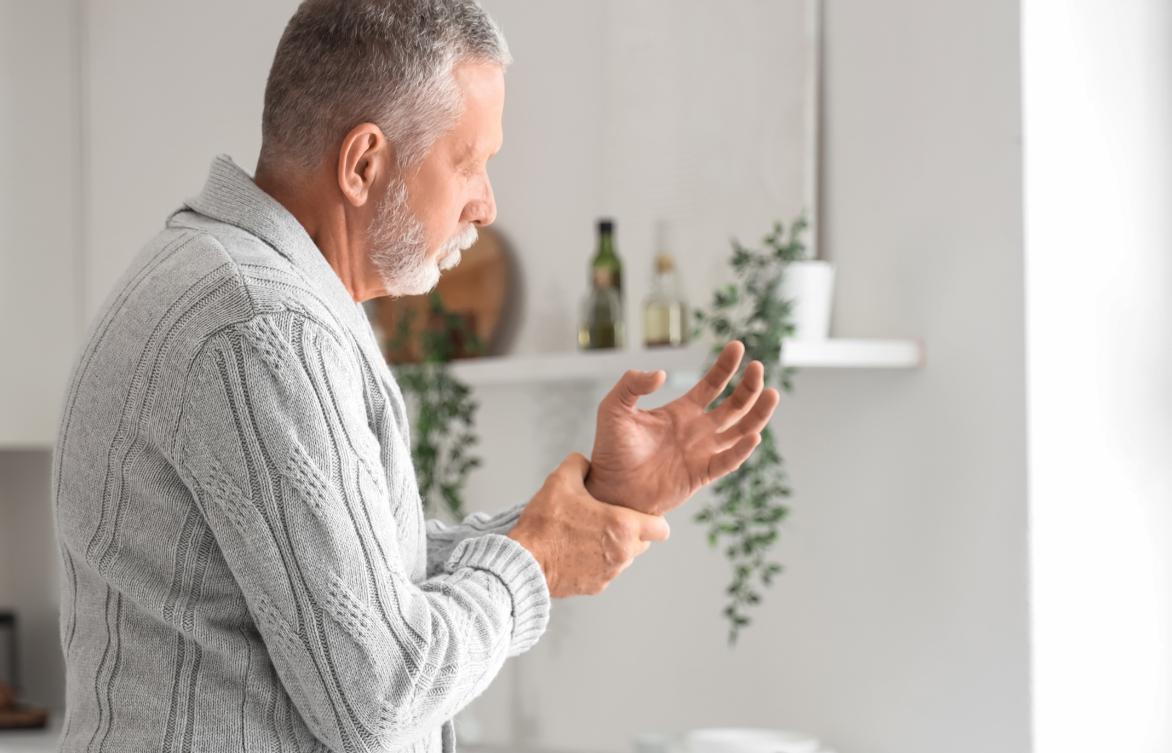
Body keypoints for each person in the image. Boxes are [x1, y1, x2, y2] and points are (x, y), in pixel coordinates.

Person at [51, 1, 779, 752]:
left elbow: (354, 586)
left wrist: (591, 504)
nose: (486, 206)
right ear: (363, 164)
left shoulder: (231, 282)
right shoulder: (264, 324)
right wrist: (534, 563)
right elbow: (383, 693)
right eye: (469, 163)